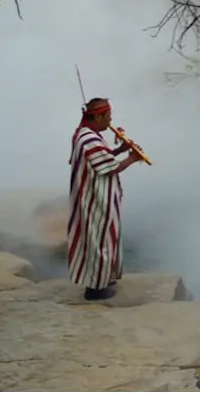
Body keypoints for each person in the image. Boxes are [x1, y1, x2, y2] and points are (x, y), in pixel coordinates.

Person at [67, 98, 142, 300]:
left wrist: (120, 150)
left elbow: (104, 157)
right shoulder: (89, 139)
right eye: (108, 116)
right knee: (98, 240)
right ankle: (96, 288)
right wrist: (132, 158)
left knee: (105, 237)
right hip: (95, 199)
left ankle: (104, 278)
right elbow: (109, 167)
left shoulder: (88, 134)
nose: (110, 121)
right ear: (98, 116)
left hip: (98, 196)